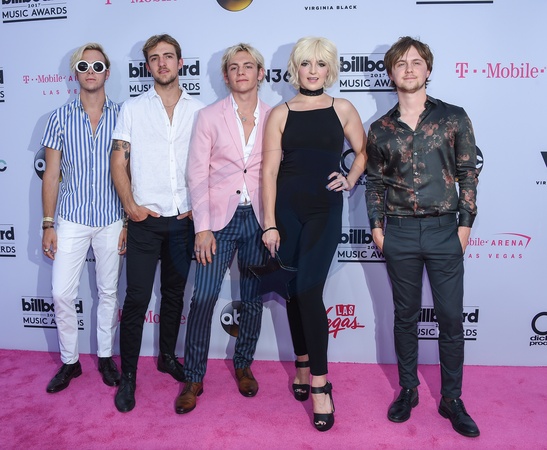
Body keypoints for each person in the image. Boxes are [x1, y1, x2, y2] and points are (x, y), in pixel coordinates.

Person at [365, 36, 480, 438]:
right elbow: (374, 183)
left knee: (450, 318)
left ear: (428, 69)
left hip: (445, 230)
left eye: (416, 62)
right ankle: (408, 389)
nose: (409, 69)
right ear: (391, 72)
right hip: (399, 233)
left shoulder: (453, 117)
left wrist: (464, 226)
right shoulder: (379, 129)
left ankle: (452, 398)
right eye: (401, 63)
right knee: (405, 317)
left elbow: (468, 173)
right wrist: (377, 229)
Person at [262, 36, 366, 431]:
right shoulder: (281, 113)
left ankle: (321, 384)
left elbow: (364, 151)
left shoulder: (343, 108)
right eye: (306, 63)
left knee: (308, 290)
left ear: (330, 69)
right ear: (296, 68)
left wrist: (350, 178)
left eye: (320, 64)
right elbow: (268, 172)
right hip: (287, 213)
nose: (312, 70)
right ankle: (302, 363)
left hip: (324, 211)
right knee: (293, 291)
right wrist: (270, 223)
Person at [110, 34, 204, 413]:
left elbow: (212, 163)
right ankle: (129, 376)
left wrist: (200, 207)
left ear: (180, 62)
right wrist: (131, 207)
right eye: (154, 58)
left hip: (184, 221)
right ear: (147, 65)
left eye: (168, 56)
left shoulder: (200, 111)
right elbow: (118, 162)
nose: (162, 63)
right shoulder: (133, 109)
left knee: (174, 295)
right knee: (136, 299)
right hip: (145, 221)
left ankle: (167, 357)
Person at [175, 43, 271, 414]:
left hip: (259, 220)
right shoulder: (208, 116)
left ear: (261, 73)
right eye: (234, 67)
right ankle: (193, 377)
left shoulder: (275, 116)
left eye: (248, 66)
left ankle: (244, 364)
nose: (241, 72)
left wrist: (273, 223)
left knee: (253, 299)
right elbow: (196, 174)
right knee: (202, 298)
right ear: (226, 76)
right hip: (217, 222)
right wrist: (202, 228)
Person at [41, 43, 125, 393]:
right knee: (61, 293)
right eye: (84, 65)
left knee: (108, 293)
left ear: (107, 72)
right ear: (75, 72)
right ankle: (70, 361)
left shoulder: (124, 115)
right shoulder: (59, 117)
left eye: (97, 66)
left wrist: (128, 221)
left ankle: (105, 356)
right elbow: (51, 175)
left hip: (112, 217)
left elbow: (132, 172)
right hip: (71, 218)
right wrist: (48, 223)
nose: (91, 71)